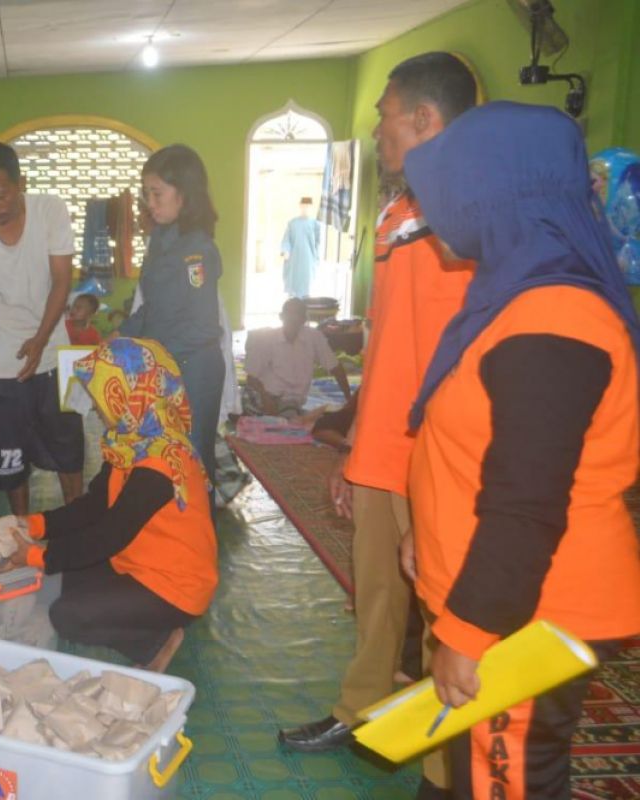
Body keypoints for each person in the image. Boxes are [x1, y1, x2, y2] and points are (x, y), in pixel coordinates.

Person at [401, 101, 640, 800]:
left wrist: (471, 633)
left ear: (494, 193)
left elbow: (527, 505)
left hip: (525, 618)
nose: (431, 212)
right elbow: (478, 445)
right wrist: (424, 525)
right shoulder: (518, 297)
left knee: (511, 784)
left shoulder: (555, 325)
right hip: (503, 599)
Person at [278, 52, 477, 800]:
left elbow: (460, 357)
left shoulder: (467, 217)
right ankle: (358, 713)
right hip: (384, 442)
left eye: (384, 110)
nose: (375, 124)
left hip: (441, 450)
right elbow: (393, 347)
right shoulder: (398, 211)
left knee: (442, 611)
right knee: (376, 593)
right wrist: (358, 443)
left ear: (423, 119)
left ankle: (441, 767)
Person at [0, 338, 217, 672]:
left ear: (129, 395)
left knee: (66, 615)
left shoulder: (160, 463)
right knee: (53, 583)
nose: (96, 408)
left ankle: (156, 641)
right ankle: (140, 620)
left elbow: (108, 535)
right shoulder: (131, 445)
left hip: (175, 588)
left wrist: (37, 555)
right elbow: (94, 506)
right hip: (136, 565)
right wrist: (35, 524)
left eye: (101, 396)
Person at [0, 141, 85, 516]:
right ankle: (21, 529)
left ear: (20, 182)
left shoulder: (50, 211)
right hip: (1, 362)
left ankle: (75, 519)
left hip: (56, 347)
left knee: (68, 446)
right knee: (10, 460)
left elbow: (62, 280)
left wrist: (41, 340)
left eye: (2, 195)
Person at [118, 144, 224, 484]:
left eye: (157, 193)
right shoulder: (161, 239)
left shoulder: (198, 250)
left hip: (193, 370)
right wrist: (121, 336)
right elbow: (154, 305)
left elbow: (202, 326)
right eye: (146, 193)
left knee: (191, 465)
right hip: (164, 365)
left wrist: (151, 354)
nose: (150, 203)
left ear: (185, 193)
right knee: (161, 464)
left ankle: (200, 538)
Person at [244, 297, 351, 417]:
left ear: (304, 319)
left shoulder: (314, 338)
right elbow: (251, 378)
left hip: (292, 402)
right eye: (290, 314)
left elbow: (336, 368)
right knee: (289, 421)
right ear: (281, 316)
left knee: (317, 419)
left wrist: (349, 399)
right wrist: (265, 397)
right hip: (265, 395)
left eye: (298, 315)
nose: (294, 318)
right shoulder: (267, 339)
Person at [281, 197, 322, 299]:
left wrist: (316, 258)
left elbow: (317, 243)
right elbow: (286, 239)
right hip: (294, 260)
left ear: (311, 207)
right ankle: (293, 310)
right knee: (294, 290)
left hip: (308, 261)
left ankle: (305, 311)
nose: (305, 208)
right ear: (300, 206)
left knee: (306, 288)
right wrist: (286, 251)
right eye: (303, 206)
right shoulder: (292, 223)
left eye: (308, 206)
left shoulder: (315, 224)